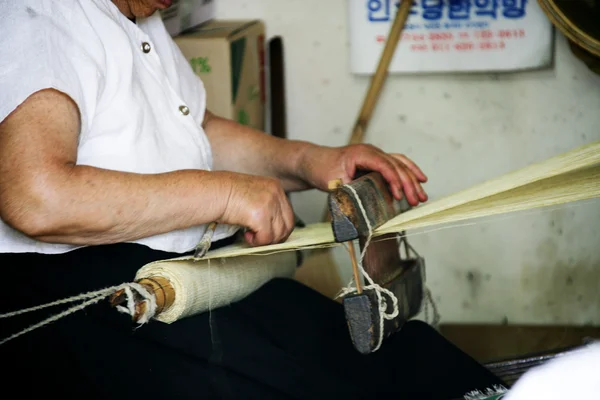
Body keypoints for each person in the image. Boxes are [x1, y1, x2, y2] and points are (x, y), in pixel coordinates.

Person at [0, 1, 505, 398]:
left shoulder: (138, 17)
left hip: (185, 278)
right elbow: (35, 197)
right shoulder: (45, 18)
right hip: (100, 306)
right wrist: (223, 194)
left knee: (390, 360)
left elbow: (196, 131)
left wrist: (310, 162)